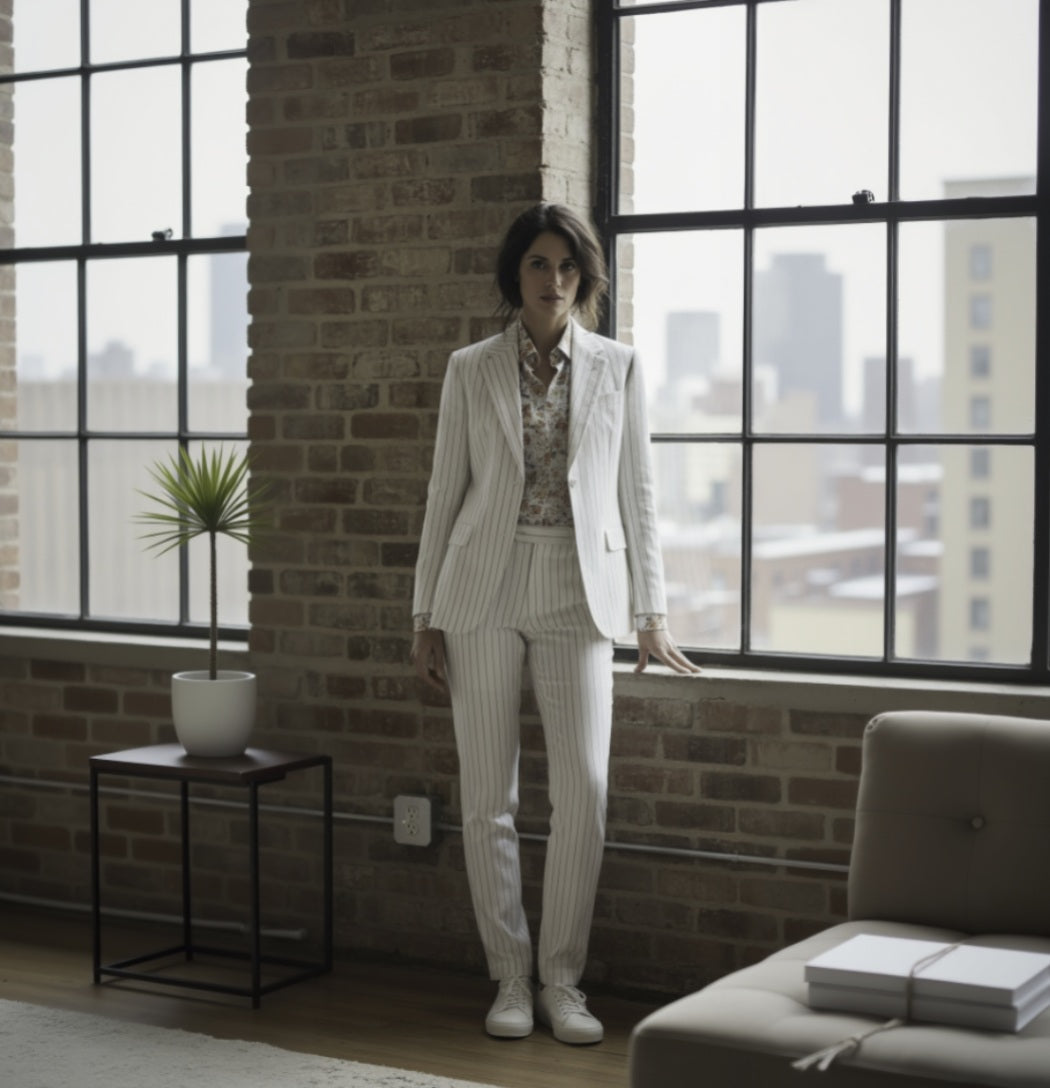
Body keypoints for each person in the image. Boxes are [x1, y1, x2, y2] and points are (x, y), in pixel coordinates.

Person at [411, 203, 700, 1046]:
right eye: (539, 265)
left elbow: (635, 493)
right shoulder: (471, 369)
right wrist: (424, 615)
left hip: (580, 592)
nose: (554, 280)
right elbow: (444, 492)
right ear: (516, 275)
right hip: (482, 590)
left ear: (586, 278)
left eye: (569, 267)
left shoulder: (617, 366)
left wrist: (650, 613)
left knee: (584, 791)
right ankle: (508, 976)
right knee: (486, 799)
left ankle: (562, 982)